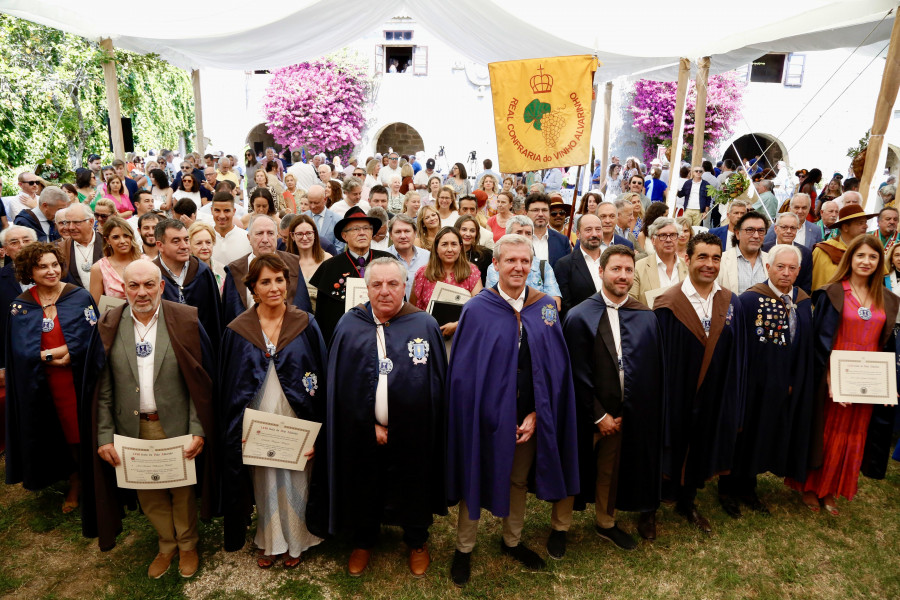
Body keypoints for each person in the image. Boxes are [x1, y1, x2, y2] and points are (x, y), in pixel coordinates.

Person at [447, 234, 579, 586]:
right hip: (485, 416)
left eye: (525, 261)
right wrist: (491, 414)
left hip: (529, 416)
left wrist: (537, 413)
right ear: (496, 265)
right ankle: (464, 548)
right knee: (475, 476)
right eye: (511, 261)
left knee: (517, 480)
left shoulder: (545, 307)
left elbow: (555, 369)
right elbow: (463, 375)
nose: (518, 267)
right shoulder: (477, 309)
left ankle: (512, 540)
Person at [84, 260, 214, 574]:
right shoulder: (109, 323)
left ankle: (187, 545)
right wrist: (104, 436)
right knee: (148, 490)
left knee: (182, 490)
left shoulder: (185, 320)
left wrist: (198, 428)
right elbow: (102, 387)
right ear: (123, 288)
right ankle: (165, 544)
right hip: (132, 428)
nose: (142, 293)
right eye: (134, 285)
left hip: (177, 424)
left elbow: (201, 382)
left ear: (161, 286)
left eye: (148, 285)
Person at [326, 258, 447, 577]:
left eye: (392, 284)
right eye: (376, 284)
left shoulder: (423, 324)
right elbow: (342, 388)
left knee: (414, 483)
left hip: (414, 431)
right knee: (364, 482)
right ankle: (364, 540)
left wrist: (406, 426)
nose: (384, 291)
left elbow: (435, 386)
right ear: (366, 288)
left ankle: (417, 540)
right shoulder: (349, 325)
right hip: (362, 430)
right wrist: (370, 425)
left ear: (404, 286)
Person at [219, 254, 326, 567]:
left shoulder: (305, 323)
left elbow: (320, 373)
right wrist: (236, 429)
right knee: (264, 475)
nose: (274, 287)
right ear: (253, 287)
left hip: (295, 412)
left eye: (279, 279)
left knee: (297, 473)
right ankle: (271, 539)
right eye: (265, 281)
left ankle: (298, 538)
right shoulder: (238, 330)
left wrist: (317, 432)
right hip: (258, 414)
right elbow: (231, 386)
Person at [787, 235, 899, 515]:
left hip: (868, 378)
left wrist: (888, 384)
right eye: (861, 255)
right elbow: (819, 340)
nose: (866, 262)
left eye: (873, 257)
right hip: (835, 375)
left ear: (879, 263)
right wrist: (828, 379)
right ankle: (812, 487)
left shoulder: (887, 299)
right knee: (827, 432)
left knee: (855, 435)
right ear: (850, 258)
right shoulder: (833, 293)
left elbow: (887, 345)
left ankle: (833, 489)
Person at [563, 244, 665, 544]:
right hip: (587, 411)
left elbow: (651, 370)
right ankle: (560, 527)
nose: (622, 276)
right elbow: (573, 374)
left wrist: (629, 410)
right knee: (575, 467)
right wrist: (598, 415)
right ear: (601, 271)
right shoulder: (579, 316)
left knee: (611, 470)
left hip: (624, 412)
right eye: (616, 269)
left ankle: (606, 522)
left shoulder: (644, 315)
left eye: (628, 270)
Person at [653, 232, 746, 533]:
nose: (709, 264)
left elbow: (738, 354)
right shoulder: (667, 303)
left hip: (713, 393)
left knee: (700, 447)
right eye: (702, 257)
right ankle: (649, 510)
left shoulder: (731, 303)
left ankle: (687, 502)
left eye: (715, 258)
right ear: (687, 258)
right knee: (666, 448)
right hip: (675, 393)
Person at [716, 244, 815, 517]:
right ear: (768, 268)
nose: (785, 273)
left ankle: (749, 487)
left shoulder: (804, 302)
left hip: (784, 385)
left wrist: (795, 379)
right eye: (780, 267)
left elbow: (805, 346)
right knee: (743, 434)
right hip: (752, 382)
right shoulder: (748, 300)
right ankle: (727, 489)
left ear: (799, 271)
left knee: (764, 434)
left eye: (792, 268)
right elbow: (736, 345)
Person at [5, 242, 97, 513]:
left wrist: (70, 350)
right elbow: (18, 351)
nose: (51, 271)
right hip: (42, 385)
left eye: (54, 264)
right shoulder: (20, 307)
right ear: (28, 271)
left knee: (82, 429)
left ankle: (95, 479)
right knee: (58, 433)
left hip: (77, 380)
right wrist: (48, 357)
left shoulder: (79, 297)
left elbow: (95, 336)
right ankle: (74, 479)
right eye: (42, 266)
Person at [310, 207, 392, 343]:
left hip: (384, 337)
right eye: (355, 229)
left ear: (372, 233)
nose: (362, 233)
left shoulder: (388, 262)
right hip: (345, 340)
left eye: (366, 228)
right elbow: (323, 318)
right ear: (344, 236)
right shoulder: (329, 267)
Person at [222, 215, 312, 325]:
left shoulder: (293, 263)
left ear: (276, 236)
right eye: (259, 233)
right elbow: (230, 316)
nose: (265, 240)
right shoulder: (235, 269)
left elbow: (303, 308)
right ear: (249, 238)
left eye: (270, 233)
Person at [153, 219, 222, 348]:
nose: (184, 246)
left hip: (201, 350)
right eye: (176, 241)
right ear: (160, 245)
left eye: (186, 240)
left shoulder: (201, 271)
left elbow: (215, 320)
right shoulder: (151, 274)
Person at [410, 227, 483, 337]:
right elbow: (412, 308)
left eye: (454, 244)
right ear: (436, 248)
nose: (449, 249)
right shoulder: (423, 273)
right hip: (429, 335)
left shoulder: (471, 272)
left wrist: (457, 325)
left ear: (460, 247)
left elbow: (479, 309)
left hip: (463, 335)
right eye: (444, 244)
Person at [485, 216, 562, 308]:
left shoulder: (543, 266)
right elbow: (495, 301)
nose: (524, 237)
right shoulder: (495, 267)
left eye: (528, 233)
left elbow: (555, 303)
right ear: (508, 235)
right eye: (519, 232)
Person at [812, 205, 876, 290]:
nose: (866, 226)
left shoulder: (871, 251)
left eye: (865, 222)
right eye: (860, 223)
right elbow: (816, 284)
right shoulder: (823, 250)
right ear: (845, 227)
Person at [555, 214, 605, 318]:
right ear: (578, 234)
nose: (594, 234)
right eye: (588, 230)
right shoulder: (565, 265)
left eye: (598, 229)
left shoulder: (611, 261)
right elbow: (566, 307)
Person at [630, 218, 688, 306]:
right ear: (653, 240)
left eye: (672, 235)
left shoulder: (689, 267)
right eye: (663, 235)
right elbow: (631, 303)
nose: (668, 240)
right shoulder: (638, 267)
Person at [89, 217, 143, 304]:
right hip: (114, 316)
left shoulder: (145, 262)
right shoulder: (99, 268)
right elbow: (95, 306)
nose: (122, 241)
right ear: (107, 240)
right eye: (116, 237)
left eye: (126, 236)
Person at [285, 214, 332, 312]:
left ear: (315, 234)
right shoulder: (285, 262)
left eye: (309, 233)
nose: (305, 238)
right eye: (300, 234)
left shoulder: (327, 260)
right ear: (292, 236)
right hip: (294, 319)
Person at [717, 211, 770, 294]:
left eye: (761, 231)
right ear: (737, 234)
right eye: (750, 230)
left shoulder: (771, 260)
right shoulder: (721, 260)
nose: (756, 236)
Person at [59, 203, 103, 289]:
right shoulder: (61, 248)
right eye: (67, 222)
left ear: (91, 222)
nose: (71, 227)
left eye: (76, 222)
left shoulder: (107, 243)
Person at [386, 214, 429, 299]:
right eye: (398, 232)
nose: (403, 236)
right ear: (391, 235)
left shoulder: (428, 257)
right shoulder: (383, 259)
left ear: (415, 233)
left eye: (407, 231)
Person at [526, 193, 572, 266]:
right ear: (526, 213)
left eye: (544, 210)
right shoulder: (519, 239)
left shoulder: (563, 241)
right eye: (535, 210)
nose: (540, 214)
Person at [210, 192, 252, 266]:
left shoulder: (247, 238)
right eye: (217, 210)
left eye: (226, 211)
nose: (222, 216)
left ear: (234, 211)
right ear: (211, 210)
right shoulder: (204, 237)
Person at [188, 221, 225, 295]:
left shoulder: (223, 270)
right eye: (199, 243)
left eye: (208, 242)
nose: (205, 247)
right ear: (189, 245)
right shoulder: (184, 271)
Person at [457, 215, 491, 287]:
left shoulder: (485, 255)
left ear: (476, 234)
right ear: (457, 231)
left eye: (472, 231)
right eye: (464, 229)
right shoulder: (449, 253)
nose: (468, 234)